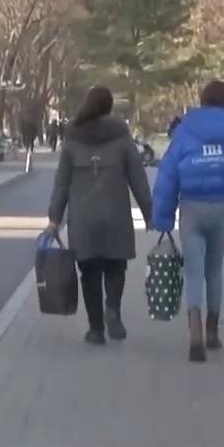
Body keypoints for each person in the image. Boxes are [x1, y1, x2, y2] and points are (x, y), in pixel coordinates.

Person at [152, 80, 224, 362]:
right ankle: (213, 331)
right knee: (214, 270)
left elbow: (168, 176)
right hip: (221, 207)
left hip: (191, 207)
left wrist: (163, 217)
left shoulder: (185, 131)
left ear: (202, 100)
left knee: (193, 270)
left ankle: (195, 333)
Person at [47, 86, 154, 345]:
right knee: (116, 266)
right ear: (109, 106)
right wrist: (149, 213)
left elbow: (62, 183)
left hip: (83, 218)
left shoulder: (72, 138)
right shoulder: (121, 136)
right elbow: (138, 178)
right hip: (115, 214)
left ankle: (95, 329)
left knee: (89, 272)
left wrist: (55, 218)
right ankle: (113, 309)